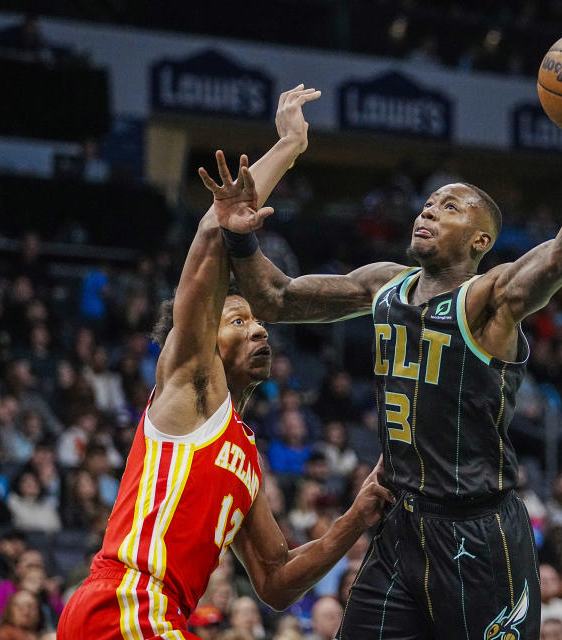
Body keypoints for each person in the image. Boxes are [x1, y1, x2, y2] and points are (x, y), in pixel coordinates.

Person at [218, 56, 562, 639]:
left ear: (480, 239)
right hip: (403, 526)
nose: (428, 210)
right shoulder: (382, 283)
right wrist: (239, 237)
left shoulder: (490, 298)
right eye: (428, 203)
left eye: (451, 206)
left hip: (481, 532)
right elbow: (274, 297)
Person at [57, 101, 393, 639]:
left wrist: (357, 516)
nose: (260, 329)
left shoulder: (244, 454)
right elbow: (213, 233)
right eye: (238, 319)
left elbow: (277, 579)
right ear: (201, 336)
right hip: (128, 601)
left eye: (260, 322)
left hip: (155, 616)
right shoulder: (189, 385)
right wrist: (287, 148)